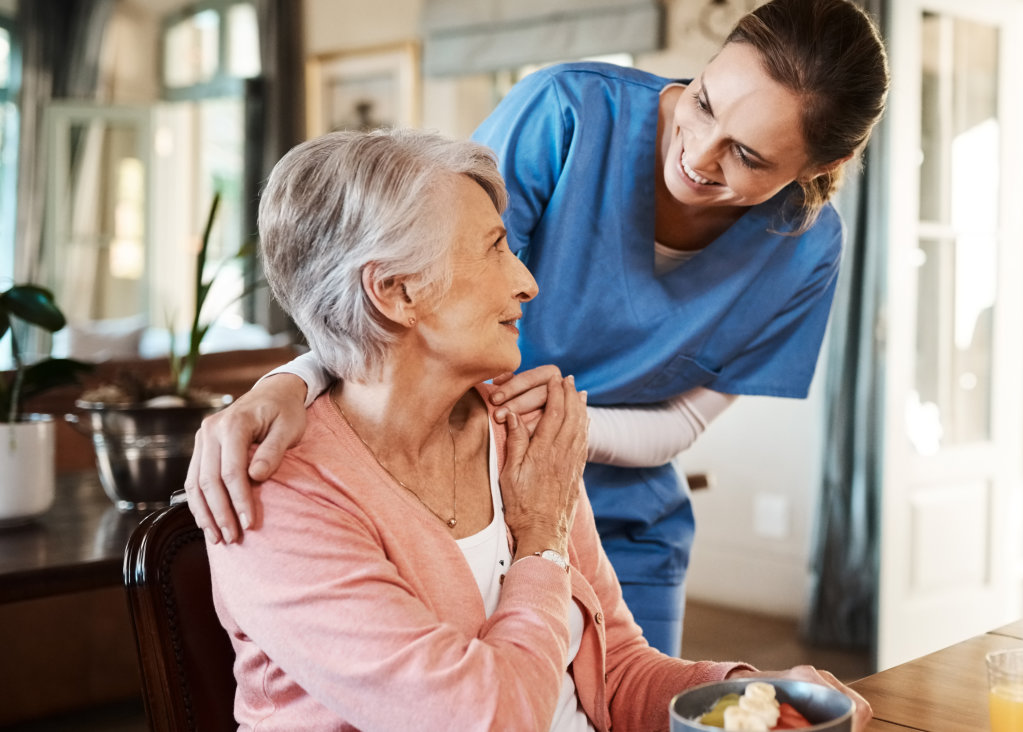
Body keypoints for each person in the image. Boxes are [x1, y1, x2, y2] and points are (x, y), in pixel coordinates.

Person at [187, 0, 890, 657]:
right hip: (458, 491)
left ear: (821, 168)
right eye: (703, 103)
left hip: (623, 521)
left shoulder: (805, 249)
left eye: (748, 156)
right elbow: (408, 285)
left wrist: (557, 437)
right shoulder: (568, 114)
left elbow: (682, 424)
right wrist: (291, 380)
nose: (699, 154)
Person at [206, 127, 872, 731]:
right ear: (396, 293)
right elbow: (487, 720)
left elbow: (614, 672)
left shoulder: (518, 437)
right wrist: (542, 542)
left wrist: (749, 696)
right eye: (496, 249)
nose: (526, 282)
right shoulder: (277, 496)